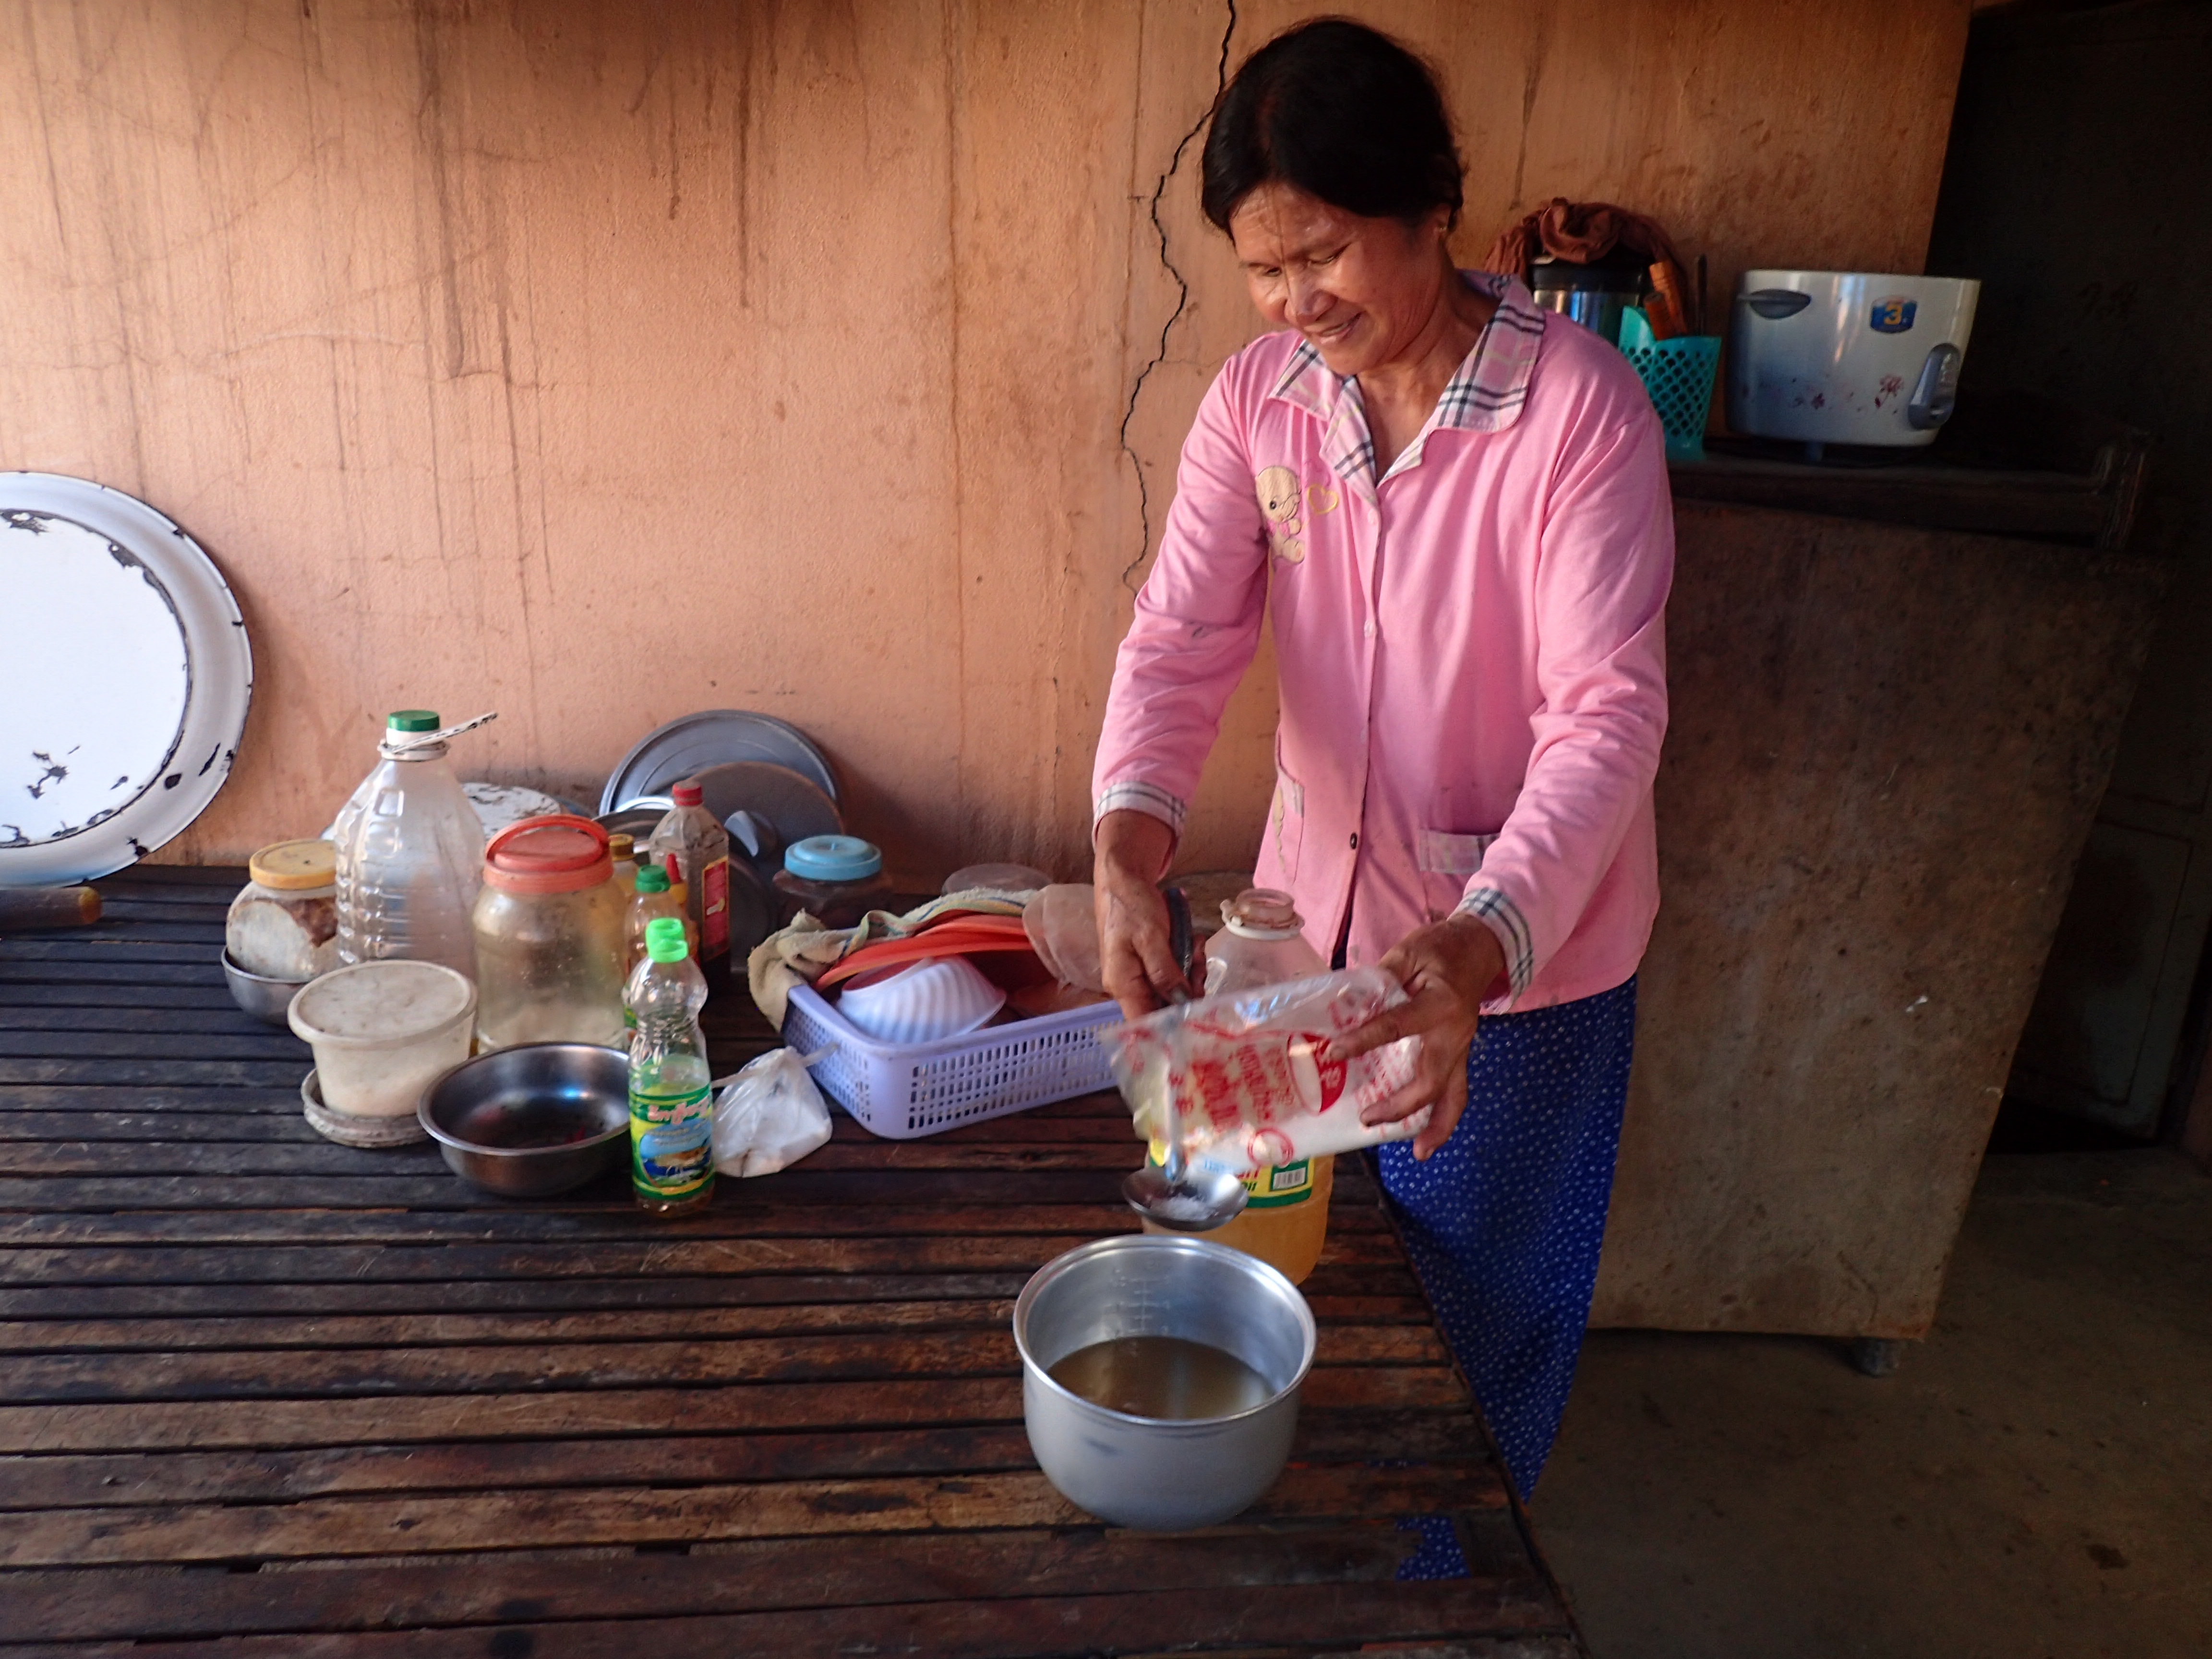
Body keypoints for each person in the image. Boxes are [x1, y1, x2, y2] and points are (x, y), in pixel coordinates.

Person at [1089, 18, 1672, 1497]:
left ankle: (1451, 1568)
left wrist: (1475, 949)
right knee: (1295, 1262)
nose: (1295, 302)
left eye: (1325, 255)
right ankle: (1321, 1534)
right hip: (1306, 945)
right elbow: (1180, 639)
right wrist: (1126, 850)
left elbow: (1606, 717)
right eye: (1263, 270)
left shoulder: (1576, 414)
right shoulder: (1260, 402)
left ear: (1431, 209)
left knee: (1475, 1301)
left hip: (1515, 972)